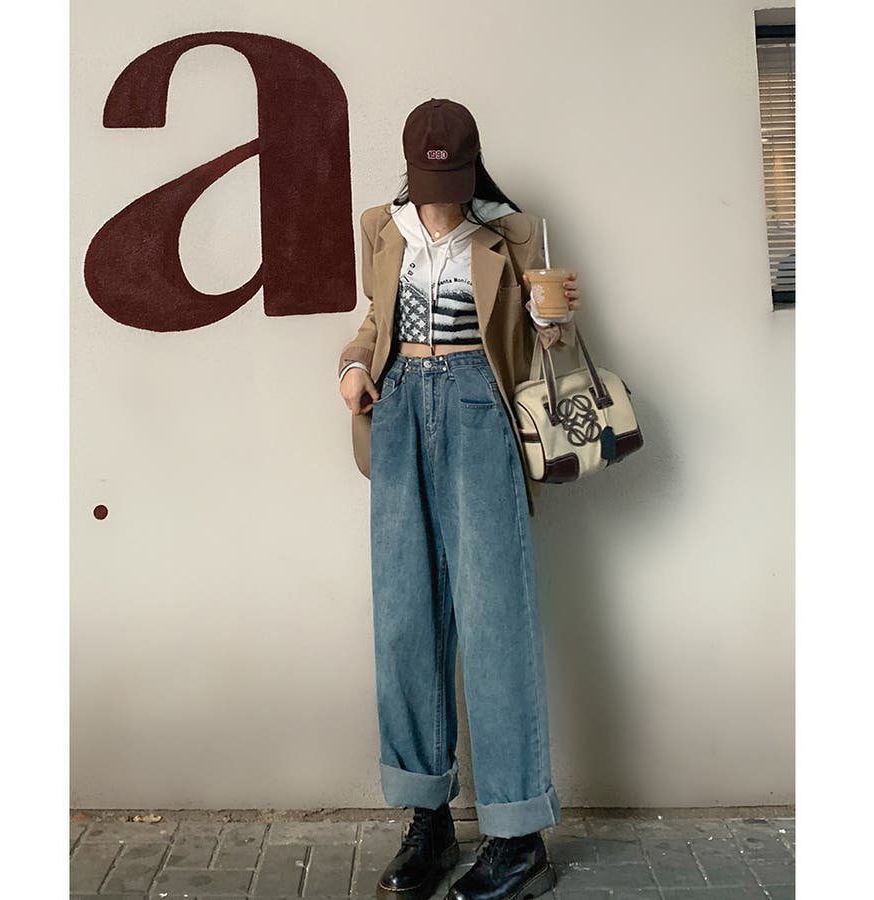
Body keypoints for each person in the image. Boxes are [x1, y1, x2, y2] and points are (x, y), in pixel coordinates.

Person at [337, 98, 579, 900]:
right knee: (405, 616)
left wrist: (555, 322)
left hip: (480, 408)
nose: (440, 198)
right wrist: (354, 365)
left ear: (473, 170)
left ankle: (518, 837)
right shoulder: (382, 228)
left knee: (494, 618)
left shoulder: (513, 234)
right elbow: (375, 319)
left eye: (453, 180)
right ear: (410, 171)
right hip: (400, 406)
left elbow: (543, 344)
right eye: (428, 181)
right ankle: (428, 818)